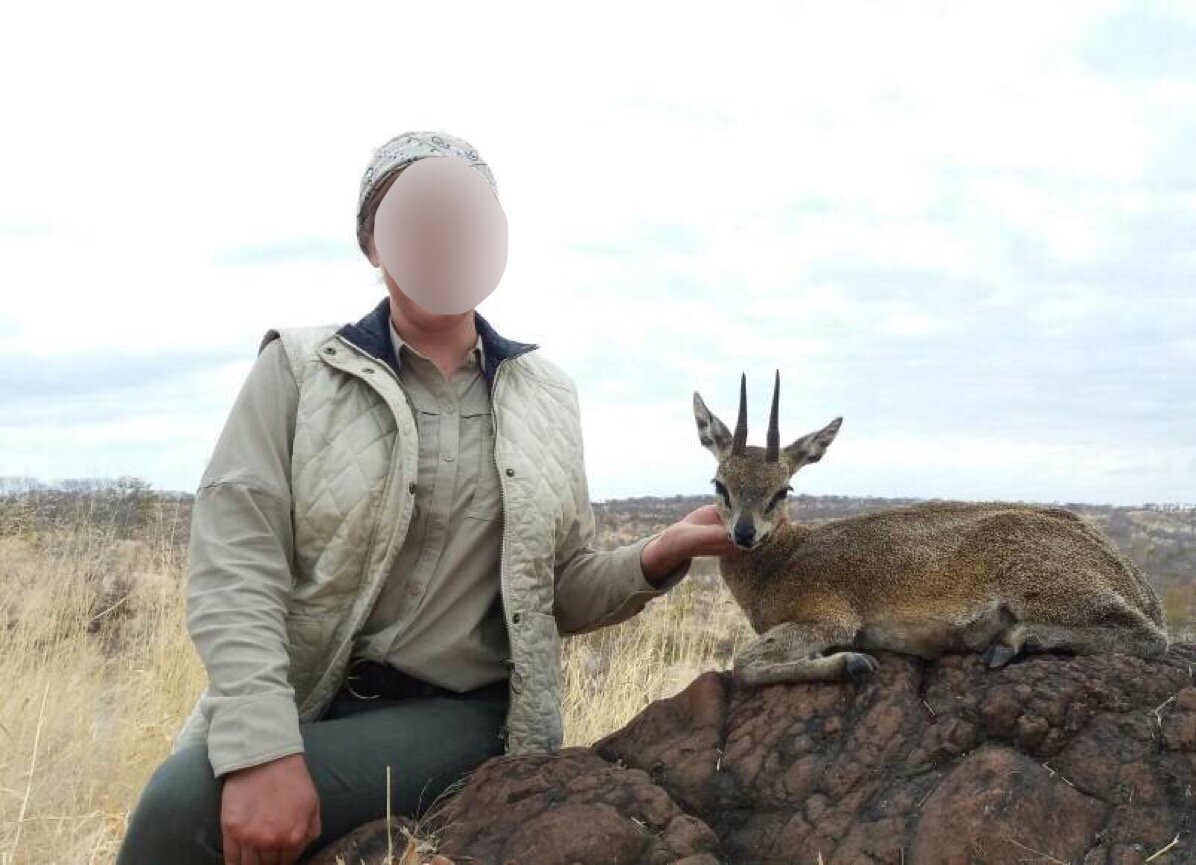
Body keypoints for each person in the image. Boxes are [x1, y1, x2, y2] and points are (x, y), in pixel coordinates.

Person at [117, 130, 738, 864]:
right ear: (374, 245)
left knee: (185, 799)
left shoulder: (547, 395)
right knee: (186, 798)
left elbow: (555, 589)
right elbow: (235, 566)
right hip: (308, 696)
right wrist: (260, 747)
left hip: (460, 716)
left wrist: (657, 554)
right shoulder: (295, 369)